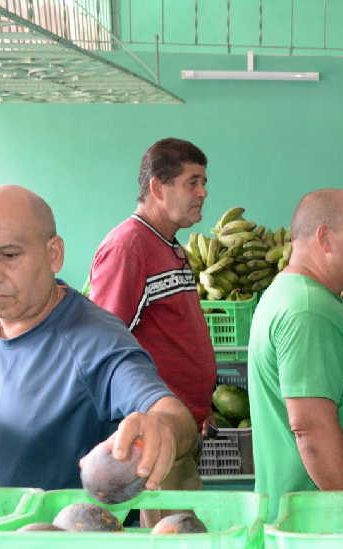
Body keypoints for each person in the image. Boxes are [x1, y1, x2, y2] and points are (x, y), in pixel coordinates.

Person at [0, 185, 197, 492]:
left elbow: (173, 415)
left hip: (53, 537)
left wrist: (162, 428)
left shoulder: (95, 341)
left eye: (9, 254)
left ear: (54, 255)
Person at [248, 189, 343, 520]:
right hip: (325, 530)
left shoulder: (310, 299)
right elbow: (312, 430)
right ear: (325, 239)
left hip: (324, 524)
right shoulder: (307, 312)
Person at [88, 138, 215, 523]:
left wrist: (198, 404)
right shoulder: (129, 247)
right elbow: (105, 347)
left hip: (181, 428)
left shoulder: (169, 246)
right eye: (192, 182)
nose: (202, 192)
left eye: (203, 182)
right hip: (155, 439)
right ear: (158, 187)